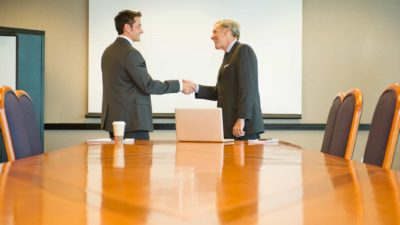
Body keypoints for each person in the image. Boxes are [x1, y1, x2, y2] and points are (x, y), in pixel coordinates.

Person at [101, 10, 194, 140]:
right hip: (133, 122)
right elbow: (148, 85)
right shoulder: (130, 53)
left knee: (119, 159)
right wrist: (179, 85)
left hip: (115, 123)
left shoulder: (108, 52)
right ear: (127, 27)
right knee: (138, 160)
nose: (142, 30)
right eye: (139, 26)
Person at [187, 19, 264, 140]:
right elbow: (220, 93)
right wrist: (195, 87)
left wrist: (241, 119)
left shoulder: (243, 50)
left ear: (227, 32)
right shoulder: (229, 56)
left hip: (242, 128)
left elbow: (248, 88)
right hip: (230, 126)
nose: (212, 37)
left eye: (215, 32)